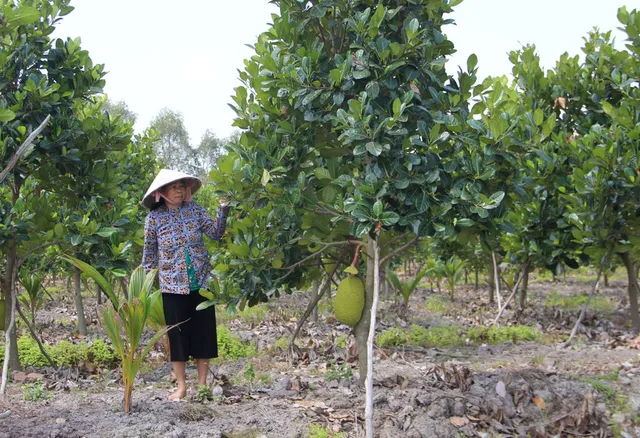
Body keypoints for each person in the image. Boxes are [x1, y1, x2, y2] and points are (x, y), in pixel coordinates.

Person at [141, 169, 230, 400]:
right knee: (177, 338)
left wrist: (223, 209)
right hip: (172, 287)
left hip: (201, 283)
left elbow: (216, 233)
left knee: (204, 335)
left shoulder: (196, 211)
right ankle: (181, 387)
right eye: (173, 186)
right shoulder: (154, 219)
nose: (179, 190)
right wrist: (145, 287)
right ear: (162, 192)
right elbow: (149, 256)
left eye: (181, 185)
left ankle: (201, 387)